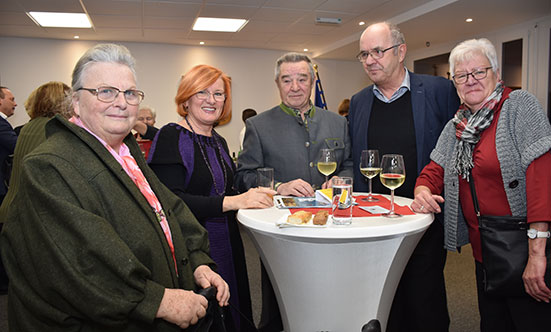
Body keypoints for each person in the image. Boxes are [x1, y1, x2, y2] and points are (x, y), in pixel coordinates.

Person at [0, 43, 229, 331]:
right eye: (105, 91)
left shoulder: (125, 153)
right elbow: (77, 265)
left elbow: (170, 210)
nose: (121, 102)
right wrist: (158, 301)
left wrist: (197, 261)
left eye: (130, 93)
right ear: (75, 102)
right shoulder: (48, 165)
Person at [412, 38, 551, 332]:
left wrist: (537, 254)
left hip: (525, 247)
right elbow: (435, 169)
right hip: (485, 250)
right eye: (461, 75)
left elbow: (541, 179)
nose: (470, 80)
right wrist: (423, 188)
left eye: (479, 72)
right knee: (494, 324)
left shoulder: (518, 106)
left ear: (496, 74)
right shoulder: (457, 126)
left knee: (530, 323)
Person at [348, 22, 460, 332]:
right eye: (364, 54)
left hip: (423, 219)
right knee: (385, 301)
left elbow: (455, 147)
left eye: (378, 51)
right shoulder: (358, 102)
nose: (371, 60)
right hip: (376, 225)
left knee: (425, 302)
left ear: (401, 51)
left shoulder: (439, 91)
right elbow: (354, 160)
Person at [147, 64, 274, 332]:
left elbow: (224, 191)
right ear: (186, 97)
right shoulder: (171, 136)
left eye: (219, 94)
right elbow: (170, 203)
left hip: (230, 242)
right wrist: (234, 202)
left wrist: (255, 196)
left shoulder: (219, 140)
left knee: (234, 313)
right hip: (192, 252)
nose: (211, 100)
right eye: (202, 92)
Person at [235, 52, 352, 332]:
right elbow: (243, 177)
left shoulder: (338, 123)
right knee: (280, 307)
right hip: (282, 234)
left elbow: (348, 164)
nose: (295, 86)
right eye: (287, 80)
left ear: (312, 81)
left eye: (302, 79)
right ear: (277, 83)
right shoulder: (258, 126)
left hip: (331, 232)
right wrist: (278, 187)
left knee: (330, 299)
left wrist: (341, 179)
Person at [0, 81, 72, 222]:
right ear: (61, 102)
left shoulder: (29, 127)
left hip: (13, 209)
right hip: (29, 215)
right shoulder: (53, 129)